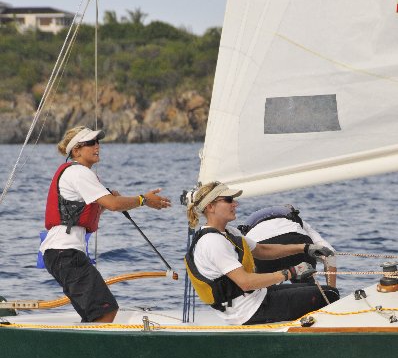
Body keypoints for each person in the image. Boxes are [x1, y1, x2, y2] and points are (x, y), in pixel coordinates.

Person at [40, 125, 171, 323]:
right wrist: (143, 199)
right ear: (76, 150)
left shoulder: (76, 173)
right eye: (91, 143)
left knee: (95, 314)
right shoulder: (79, 172)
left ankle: (83, 350)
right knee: (105, 312)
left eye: (97, 142)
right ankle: (90, 353)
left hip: (60, 253)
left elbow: (97, 208)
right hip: (65, 253)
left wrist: (109, 204)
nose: (97, 146)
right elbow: (113, 204)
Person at [185, 182, 339, 326]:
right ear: (210, 207)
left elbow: (262, 250)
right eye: (228, 200)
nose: (235, 204)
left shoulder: (229, 232)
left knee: (323, 291)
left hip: (255, 298)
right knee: (329, 294)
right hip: (247, 311)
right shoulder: (213, 242)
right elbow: (245, 282)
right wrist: (291, 272)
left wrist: (305, 248)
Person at [238, 205, 337, 287]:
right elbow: (329, 254)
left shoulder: (248, 231)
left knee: (265, 293)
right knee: (307, 288)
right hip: (296, 242)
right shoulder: (296, 221)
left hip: (261, 249)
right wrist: (332, 290)